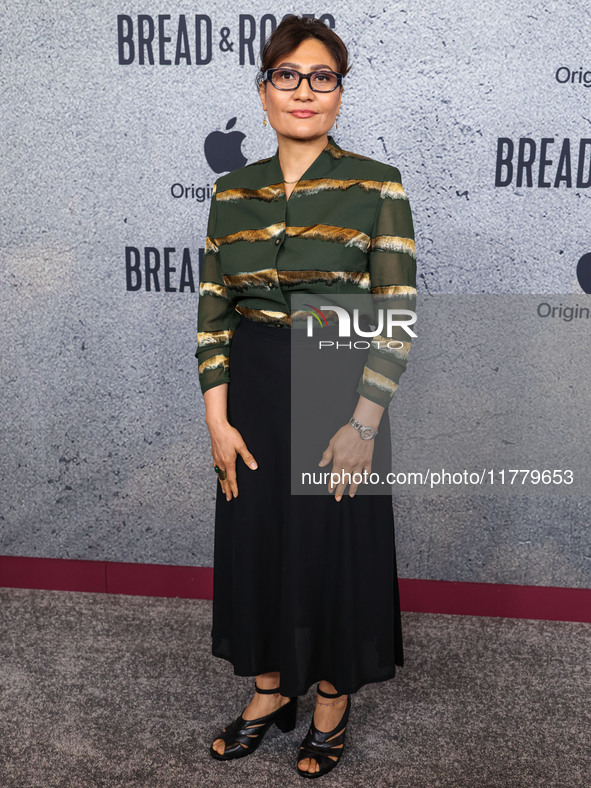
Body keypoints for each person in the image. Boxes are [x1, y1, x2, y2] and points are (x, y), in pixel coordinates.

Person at [195, 14, 416, 779]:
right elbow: (214, 314)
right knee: (254, 538)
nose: (304, 91)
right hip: (250, 386)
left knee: (333, 550)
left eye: (322, 77)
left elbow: (394, 318)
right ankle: (266, 695)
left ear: (338, 95)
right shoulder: (231, 191)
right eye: (287, 76)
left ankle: (328, 701)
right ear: (263, 93)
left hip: (338, 383)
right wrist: (217, 423)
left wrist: (363, 423)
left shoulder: (377, 186)